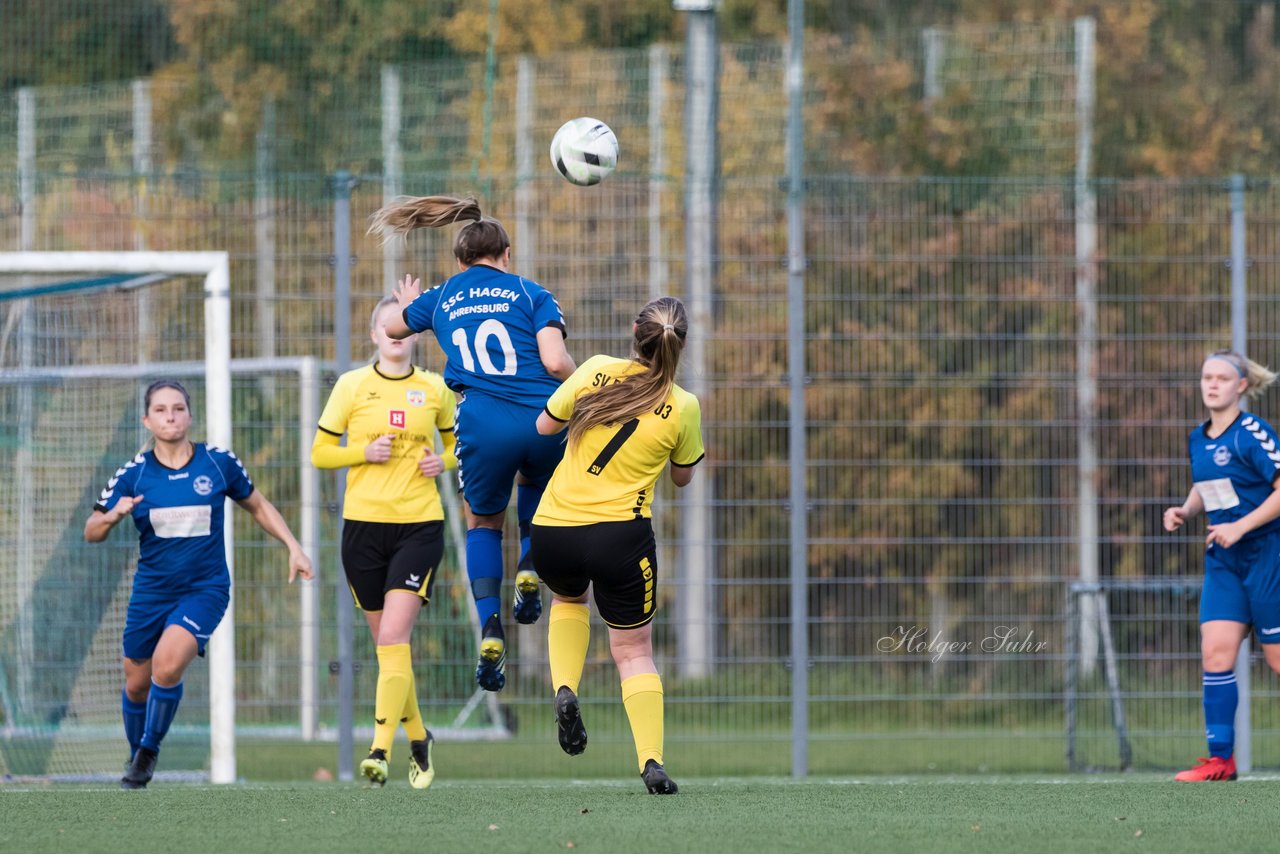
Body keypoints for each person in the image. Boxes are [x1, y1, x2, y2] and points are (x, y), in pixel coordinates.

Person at [371, 194, 576, 692]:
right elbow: (554, 362)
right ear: (506, 255)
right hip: (542, 415)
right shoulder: (531, 293)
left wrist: (406, 303)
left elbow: (395, 326)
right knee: (538, 482)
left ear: (459, 261)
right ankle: (529, 565)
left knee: (482, 521)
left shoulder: (444, 294)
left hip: (481, 421)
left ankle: (490, 625)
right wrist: (584, 385)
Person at [85, 379, 313, 790]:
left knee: (167, 665)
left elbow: (257, 505)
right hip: (151, 592)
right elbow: (91, 531)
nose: (170, 416)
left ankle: (149, 752)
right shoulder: (133, 475)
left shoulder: (217, 462)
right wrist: (110, 516)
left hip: (204, 589)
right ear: (147, 420)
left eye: (178, 408)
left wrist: (293, 546)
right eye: (161, 410)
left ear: (190, 415)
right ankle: (138, 754)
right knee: (135, 683)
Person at [530, 296, 704, 795]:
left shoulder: (594, 371)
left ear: (634, 332)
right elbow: (684, 477)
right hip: (620, 538)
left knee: (567, 601)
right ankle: (651, 763)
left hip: (554, 529)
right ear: (681, 344)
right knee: (632, 650)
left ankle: (565, 689)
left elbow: (544, 427)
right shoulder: (683, 404)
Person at [310, 296, 456, 789]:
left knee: (394, 639)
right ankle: (419, 737)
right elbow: (319, 453)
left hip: (419, 525)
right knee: (388, 647)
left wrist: (445, 462)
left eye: (405, 326)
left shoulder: (435, 388)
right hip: (362, 529)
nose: (396, 334)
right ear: (374, 334)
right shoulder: (352, 386)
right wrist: (361, 453)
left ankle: (378, 751)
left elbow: (460, 447)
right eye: (386, 326)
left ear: (415, 335)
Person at [1163, 349, 1280, 782]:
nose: (1212, 384)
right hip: (1224, 562)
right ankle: (1220, 761)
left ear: (1241, 386)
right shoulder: (1198, 437)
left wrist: (1242, 526)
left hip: (1268, 556)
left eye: (1221, 378)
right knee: (1215, 655)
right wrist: (1185, 510)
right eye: (1206, 377)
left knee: (1277, 661)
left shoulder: (1253, 433)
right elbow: (1207, 486)